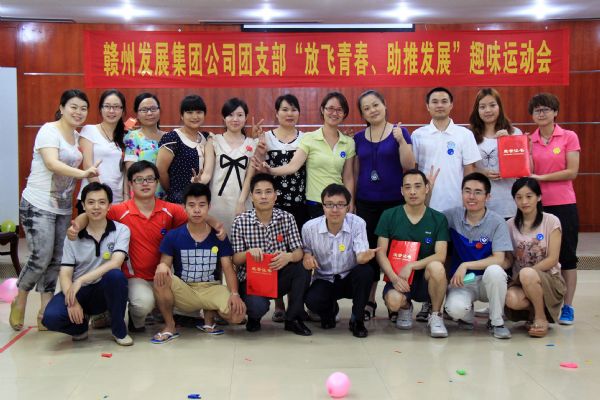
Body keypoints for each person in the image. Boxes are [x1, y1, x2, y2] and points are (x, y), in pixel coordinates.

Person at [10, 89, 99, 331]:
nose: (78, 112)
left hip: (62, 207)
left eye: (83, 108)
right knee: (40, 257)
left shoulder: (77, 137)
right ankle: (20, 298)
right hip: (37, 203)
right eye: (73, 107)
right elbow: (51, 163)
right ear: (61, 108)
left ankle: (44, 311)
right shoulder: (49, 130)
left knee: (56, 260)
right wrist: (82, 173)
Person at [411, 87, 481, 321]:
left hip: (456, 207)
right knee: (428, 255)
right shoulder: (419, 135)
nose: (439, 105)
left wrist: (469, 203)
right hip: (427, 208)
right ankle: (428, 301)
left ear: (451, 105)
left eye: (444, 101)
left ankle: (452, 300)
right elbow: (414, 171)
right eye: (435, 101)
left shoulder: (464, 135)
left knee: (453, 255)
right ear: (427, 106)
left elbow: (470, 171)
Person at [242, 94, 308, 323]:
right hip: (272, 204)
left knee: (294, 254)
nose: (290, 114)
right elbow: (255, 166)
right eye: (285, 109)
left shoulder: (306, 139)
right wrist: (243, 198)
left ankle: (296, 305)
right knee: (273, 251)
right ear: (276, 113)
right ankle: (278, 305)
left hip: (299, 204)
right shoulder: (266, 138)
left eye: (294, 109)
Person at [152, 183, 246, 343]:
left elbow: (228, 268)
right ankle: (170, 326)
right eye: (192, 205)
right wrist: (161, 266)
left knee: (237, 316)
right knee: (160, 278)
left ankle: (209, 317)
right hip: (185, 289)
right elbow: (164, 264)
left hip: (212, 288)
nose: (197, 210)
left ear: (209, 207)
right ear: (184, 207)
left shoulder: (219, 236)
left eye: (202, 205)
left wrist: (235, 294)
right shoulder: (173, 236)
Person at [42, 182, 132, 345]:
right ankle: (80, 327)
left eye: (102, 202)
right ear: (83, 205)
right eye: (91, 202)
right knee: (50, 317)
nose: (96, 207)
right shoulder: (73, 236)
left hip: (103, 290)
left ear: (109, 206)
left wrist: (81, 280)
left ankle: (118, 330)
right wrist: (72, 301)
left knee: (116, 276)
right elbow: (65, 273)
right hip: (79, 291)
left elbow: (115, 262)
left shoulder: (121, 230)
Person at [353, 89, 415, 321]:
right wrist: (353, 202)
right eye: (366, 108)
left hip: (394, 203)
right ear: (362, 114)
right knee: (370, 252)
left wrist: (401, 141)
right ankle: (369, 300)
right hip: (366, 203)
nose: (372, 110)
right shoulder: (358, 138)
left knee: (394, 253)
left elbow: (409, 165)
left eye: (376, 105)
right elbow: (356, 172)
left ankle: (394, 300)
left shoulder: (400, 132)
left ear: (385, 105)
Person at [230, 174, 311, 336]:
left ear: (275, 195)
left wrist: (288, 257)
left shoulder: (287, 218)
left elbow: (298, 251)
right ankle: (254, 318)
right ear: (251, 196)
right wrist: (248, 253)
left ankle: (293, 319)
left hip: (278, 276)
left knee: (302, 267)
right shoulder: (240, 222)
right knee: (257, 306)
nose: (263, 196)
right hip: (252, 279)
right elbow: (235, 260)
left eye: (268, 192)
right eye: (258, 192)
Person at [375, 169, 449, 337]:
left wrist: (412, 265)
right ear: (402, 191)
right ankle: (405, 307)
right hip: (398, 277)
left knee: (437, 267)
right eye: (407, 187)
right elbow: (381, 253)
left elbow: (441, 255)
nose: (413, 192)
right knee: (393, 302)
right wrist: (394, 278)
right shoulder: (389, 215)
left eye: (417, 186)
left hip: (425, 278)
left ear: (427, 188)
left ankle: (436, 315)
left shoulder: (438, 218)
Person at [257, 92, 355, 218]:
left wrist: (350, 201)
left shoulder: (348, 142)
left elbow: (348, 177)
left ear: (344, 113)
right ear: (322, 110)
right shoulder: (309, 138)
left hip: (339, 203)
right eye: (330, 108)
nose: (334, 113)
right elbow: (293, 166)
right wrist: (269, 170)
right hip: (315, 203)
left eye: (339, 110)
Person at [528, 93, 580, 325]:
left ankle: (568, 307)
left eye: (546, 109)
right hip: (536, 206)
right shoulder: (529, 140)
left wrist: (541, 178)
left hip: (563, 204)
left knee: (567, 256)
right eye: (537, 110)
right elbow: (526, 170)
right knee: (538, 255)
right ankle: (538, 304)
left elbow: (572, 171)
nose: (541, 113)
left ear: (555, 112)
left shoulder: (569, 136)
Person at [443, 173, 513, 339]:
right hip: (463, 282)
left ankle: (496, 322)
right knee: (455, 309)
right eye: (467, 191)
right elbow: (426, 216)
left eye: (478, 192)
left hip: (486, 281)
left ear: (488, 197)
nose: (471, 197)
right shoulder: (451, 216)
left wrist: (466, 265)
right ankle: (466, 314)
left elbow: (499, 259)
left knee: (495, 271)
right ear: (461, 194)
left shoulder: (497, 222)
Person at [302, 184, 378, 338]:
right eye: (329, 204)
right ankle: (330, 312)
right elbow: (306, 253)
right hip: (324, 279)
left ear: (348, 207)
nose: (335, 209)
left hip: (350, 278)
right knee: (312, 300)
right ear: (323, 206)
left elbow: (361, 254)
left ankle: (357, 320)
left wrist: (364, 257)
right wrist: (307, 258)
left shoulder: (358, 223)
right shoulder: (309, 228)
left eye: (340, 204)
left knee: (366, 271)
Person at [505, 178, 566, 338]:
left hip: (550, 279)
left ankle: (540, 317)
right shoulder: (510, 225)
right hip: (521, 280)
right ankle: (533, 313)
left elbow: (553, 259)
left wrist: (527, 273)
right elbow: (510, 259)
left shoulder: (551, 221)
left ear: (539, 197)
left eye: (529, 196)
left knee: (527, 274)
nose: (524, 201)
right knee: (511, 299)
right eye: (519, 197)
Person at [203, 98, 258, 234]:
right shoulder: (214, 141)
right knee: (218, 240)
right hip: (217, 202)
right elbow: (207, 173)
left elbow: (250, 177)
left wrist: (241, 202)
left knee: (242, 240)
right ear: (224, 118)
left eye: (240, 115)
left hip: (242, 201)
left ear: (246, 117)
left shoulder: (253, 144)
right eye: (230, 115)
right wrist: (199, 181)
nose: (235, 119)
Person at [469, 88, 522, 219]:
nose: (488, 110)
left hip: (509, 203)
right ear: (477, 110)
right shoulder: (469, 136)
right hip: (480, 204)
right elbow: (465, 168)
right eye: (482, 107)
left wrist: (509, 142)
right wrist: (483, 172)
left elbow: (522, 169)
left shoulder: (514, 133)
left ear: (500, 107)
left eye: (492, 105)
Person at [77, 89, 127, 210]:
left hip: (118, 201)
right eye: (107, 106)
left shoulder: (127, 136)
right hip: (92, 199)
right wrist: (103, 196)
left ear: (122, 110)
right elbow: (88, 165)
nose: (111, 111)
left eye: (116, 107)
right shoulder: (89, 130)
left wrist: (126, 197)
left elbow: (126, 170)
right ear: (101, 109)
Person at [156, 95, 211, 204]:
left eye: (199, 112)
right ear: (182, 115)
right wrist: (172, 192)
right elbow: (161, 171)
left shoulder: (206, 137)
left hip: (201, 201)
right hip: (178, 201)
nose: (195, 116)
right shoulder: (172, 138)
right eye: (189, 112)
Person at [123, 92, 165, 198]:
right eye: (144, 110)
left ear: (159, 111)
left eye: (153, 109)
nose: (149, 113)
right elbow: (130, 171)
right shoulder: (132, 137)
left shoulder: (170, 137)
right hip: (141, 197)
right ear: (137, 114)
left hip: (167, 196)